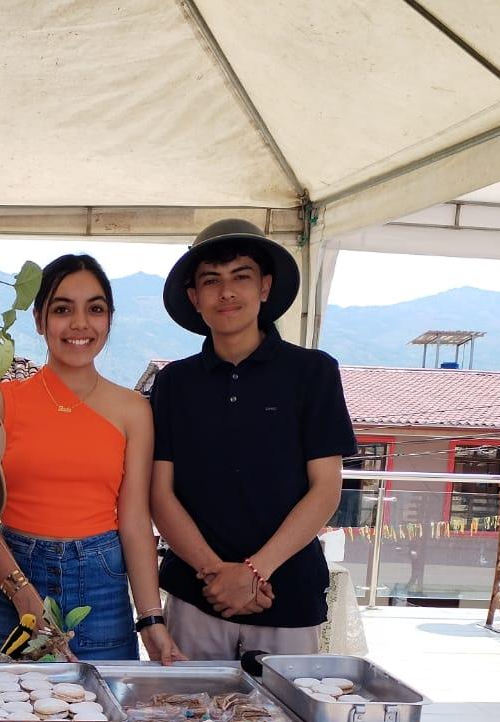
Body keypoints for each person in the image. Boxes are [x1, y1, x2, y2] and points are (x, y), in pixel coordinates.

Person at [149, 219, 355, 660]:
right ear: (194, 297)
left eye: (241, 277)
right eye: (211, 280)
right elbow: (159, 493)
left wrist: (254, 572)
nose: (227, 292)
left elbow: (326, 488)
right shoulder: (174, 383)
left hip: (289, 594)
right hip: (196, 594)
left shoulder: (313, 372)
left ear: (264, 287)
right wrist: (214, 573)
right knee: (183, 721)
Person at [0, 254, 181, 663]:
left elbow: (135, 520)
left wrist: (152, 619)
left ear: (109, 319)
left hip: (101, 586)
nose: (80, 323)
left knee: (103, 716)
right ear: (38, 319)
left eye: (95, 309)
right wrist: (22, 594)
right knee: (4, 717)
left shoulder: (133, 410)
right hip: (11, 579)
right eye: (63, 309)